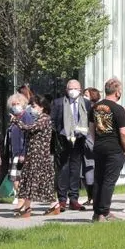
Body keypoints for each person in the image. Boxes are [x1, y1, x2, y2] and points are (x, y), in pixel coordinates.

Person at [87, 77, 125, 222]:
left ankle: (96, 213)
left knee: (98, 179)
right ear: (117, 92)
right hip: (114, 148)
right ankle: (104, 213)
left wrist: (97, 142)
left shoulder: (94, 107)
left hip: (99, 147)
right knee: (109, 181)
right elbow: (124, 133)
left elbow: (91, 129)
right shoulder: (118, 109)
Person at [51, 80, 92, 212]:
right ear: (66, 89)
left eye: (76, 88)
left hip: (79, 139)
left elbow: (88, 120)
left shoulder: (85, 103)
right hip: (63, 140)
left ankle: (74, 199)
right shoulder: (58, 102)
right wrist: (61, 134)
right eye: (70, 88)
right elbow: (53, 121)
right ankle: (62, 200)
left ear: (80, 90)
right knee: (63, 169)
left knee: (75, 169)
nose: (73, 90)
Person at [13, 94, 57, 217]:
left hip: (39, 157)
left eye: (34, 106)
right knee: (39, 182)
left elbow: (30, 128)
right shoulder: (39, 119)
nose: (31, 108)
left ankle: (27, 208)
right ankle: (54, 205)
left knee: (32, 181)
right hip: (34, 155)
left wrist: (17, 121)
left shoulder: (45, 119)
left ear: (42, 107)